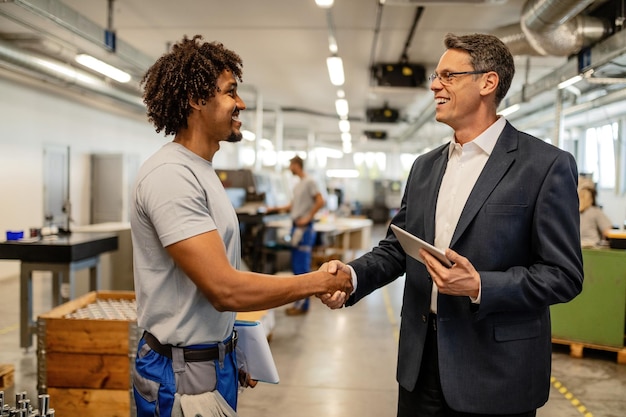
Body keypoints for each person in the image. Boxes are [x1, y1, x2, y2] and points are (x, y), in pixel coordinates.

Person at [322, 33, 583, 417]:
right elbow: (399, 247)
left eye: (448, 75)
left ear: (487, 82)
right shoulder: (425, 166)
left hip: (496, 372)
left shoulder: (545, 166)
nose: (433, 85)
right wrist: (352, 277)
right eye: (435, 75)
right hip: (420, 365)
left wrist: (479, 285)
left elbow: (563, 275)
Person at [130, 34, 352, 417]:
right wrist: (318, 282)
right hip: (180, 375)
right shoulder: (171, 176)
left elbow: (211, 293)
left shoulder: (201, 173)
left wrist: (230, 350)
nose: (241, 104)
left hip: (210, 363)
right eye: (231, 92)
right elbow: (223, 288)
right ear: (197, 100)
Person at [265, 155, 326, 315]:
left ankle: (302, 306)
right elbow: (293, 205)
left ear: (296, 165)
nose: (289, 168)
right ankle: (299, 304)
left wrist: (307, 218)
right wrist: (274, 209)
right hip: (295, 227)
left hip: (303, 229)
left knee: (301, 268)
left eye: (291, 165)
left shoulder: (309, 182)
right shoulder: (298, 185)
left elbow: (320, 201)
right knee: (296, 266)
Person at [578, 177, 613, 246]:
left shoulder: (572, 213)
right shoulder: (595, 212)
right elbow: (608, 232)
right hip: (592, 247)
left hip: (577, 248)